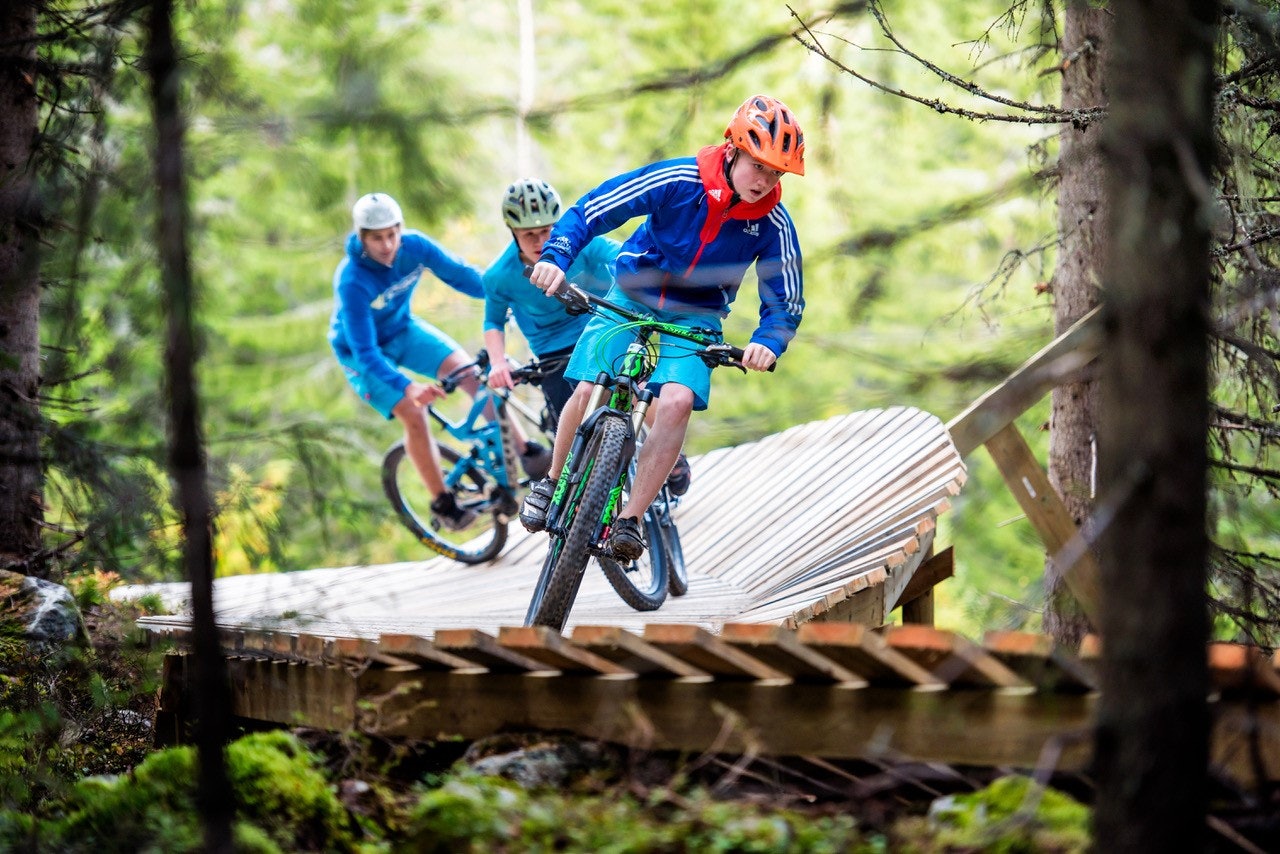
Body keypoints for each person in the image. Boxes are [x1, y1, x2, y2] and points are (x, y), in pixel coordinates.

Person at [519, 94, 806, 560]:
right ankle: (552, 482)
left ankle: (629, 519)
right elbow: (595, 209)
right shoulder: (679, 178)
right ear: (732, 149)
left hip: (697, 316)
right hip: (632, 292)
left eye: (776, 173)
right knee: (590, 386)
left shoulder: (773, 222)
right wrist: (555, 259)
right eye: (759, 166)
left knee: (675, 402)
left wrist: (767, 342)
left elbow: (785, 297)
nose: (765, 181)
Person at [329, 192, 549, 532]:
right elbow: (364, 351)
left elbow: (462, 276)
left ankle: (527, 453)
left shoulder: (414, 247)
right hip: (363, 353)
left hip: (403, 329)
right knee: (413, 412)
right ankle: (442, 501)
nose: (387, 245)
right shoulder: (352, 279)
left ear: (400, 229)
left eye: (392, 234)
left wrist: (506, 292)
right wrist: (408, 386)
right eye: (377, 238)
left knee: (474, 374)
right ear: (362, 238)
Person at [481, 178, 619, 423]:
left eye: (547, 230)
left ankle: (677, 462)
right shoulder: (498, 276)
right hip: (554, 351)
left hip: (603, 326)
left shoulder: (583, 243)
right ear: (513, 232)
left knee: (637, 386)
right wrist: (498, 362)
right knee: (570, 426)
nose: (540, 241)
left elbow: (625, 256)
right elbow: (493, 321)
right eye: (529, 234)